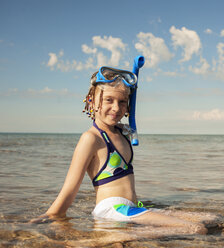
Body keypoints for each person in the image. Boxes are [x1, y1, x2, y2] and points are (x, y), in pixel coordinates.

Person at [32, 66, 207, 235]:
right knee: (195, 229)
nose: (116, 108)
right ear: (92, 101)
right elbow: (70, 188)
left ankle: (122, 235)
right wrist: (53, 214)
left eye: (122, 101)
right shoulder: (91, 139)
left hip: (132, 208)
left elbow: (124, 124)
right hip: (111, 210)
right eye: (109, 100)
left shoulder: (122, 132)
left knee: (210, 219)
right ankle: (105, 239)